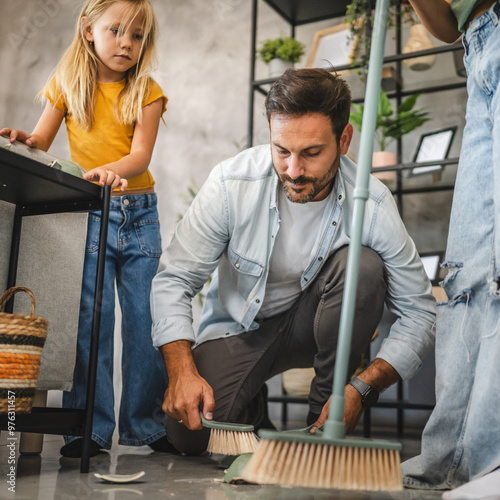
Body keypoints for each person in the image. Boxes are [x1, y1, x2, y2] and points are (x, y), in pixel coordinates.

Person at [150, 68, 436, 455]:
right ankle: (250, 405)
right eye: (282, 150)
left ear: (344, 139)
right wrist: (182, 372)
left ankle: (323, 429)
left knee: (363, 267)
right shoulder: (231, 184)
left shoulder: (373, 204)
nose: (294, 170)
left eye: (312, 153)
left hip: (315, 324)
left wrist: (361, 388)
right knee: (189, 435)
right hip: (240, 329)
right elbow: (175, 279)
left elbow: (420, 311)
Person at [1, 0, 171, 458]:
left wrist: (108, 171)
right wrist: (25, 140)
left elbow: (140, 158)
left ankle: (148, 427)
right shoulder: (67, 85)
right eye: (116, 30)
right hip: (93, 211)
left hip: (139, 215)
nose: (126, 43)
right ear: (88, 29)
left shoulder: (148, 92)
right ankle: (89, 431)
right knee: (92, 322)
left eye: (137, 36)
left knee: (144, 319)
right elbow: (41, 140)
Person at [401, 0, 500, 490]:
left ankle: (489, 459)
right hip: (477, 48)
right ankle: (452, 457)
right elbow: (445, 26)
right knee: (468, 271)